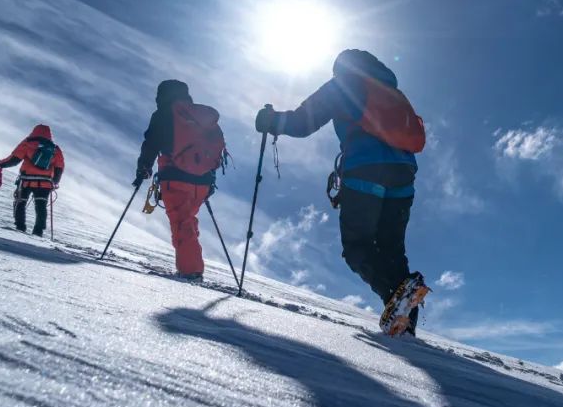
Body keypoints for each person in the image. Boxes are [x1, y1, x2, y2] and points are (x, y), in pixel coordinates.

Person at [255, 49, 428, 336]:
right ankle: (405, 327)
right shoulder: (392, 92)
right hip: (403, 176)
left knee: (357, 247)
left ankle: (395, 298)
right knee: (391, 250)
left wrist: (270, 120)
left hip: (365, 169)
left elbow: (302, 122)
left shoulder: (344, 84)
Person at [136, 79, 226, 282]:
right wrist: (209, 177)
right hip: (202, 182)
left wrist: (143, 167)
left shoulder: (165, 114)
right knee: (187, 220)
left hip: (174, 176)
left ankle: (190, 272)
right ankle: (190, 266)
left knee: (181, 222)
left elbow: (151, 143)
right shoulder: (201, 116)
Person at [0, 125, 65, 236]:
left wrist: (1, 163)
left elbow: (14, 159)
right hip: (45, 183)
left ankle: (20, 227)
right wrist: (55, 181)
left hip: (26, 180)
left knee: (20, 202)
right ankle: (38, 231)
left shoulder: (28, 143)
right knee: (41, 206)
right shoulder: (55, 149)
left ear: (34, 131)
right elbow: (59, 167)